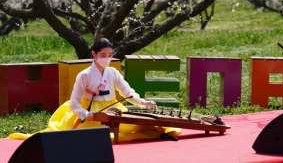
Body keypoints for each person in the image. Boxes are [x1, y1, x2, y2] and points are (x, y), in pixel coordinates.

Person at [8, 38, 181, 141]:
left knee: (138, 127)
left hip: (113, 109)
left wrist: (143, 102)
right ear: (94, 54)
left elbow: (127, 92)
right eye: (103, 55)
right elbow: (74, 102)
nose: (107, 59)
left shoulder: (113, 72)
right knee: (95, 136)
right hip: (90, 111)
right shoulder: (84, 75)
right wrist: (83, 114)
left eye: (110, 55)